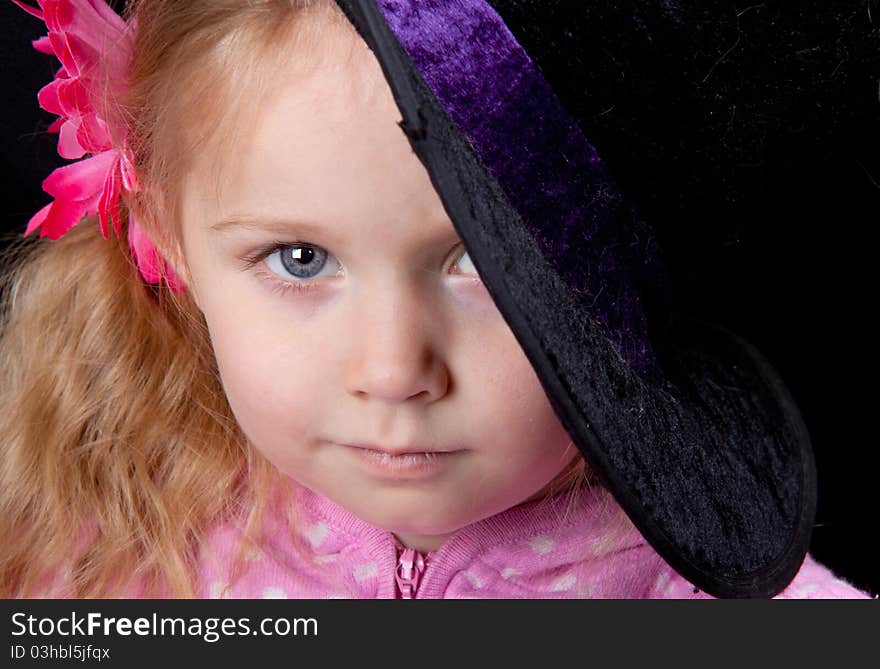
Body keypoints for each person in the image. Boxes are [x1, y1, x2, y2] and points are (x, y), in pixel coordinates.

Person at [0, 0, 873, 599]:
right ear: (171, 236)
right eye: (300, 259)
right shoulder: (110, 547)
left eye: (484, 262)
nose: (393, 371)